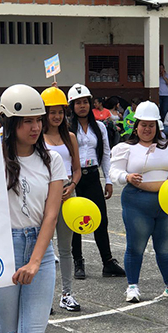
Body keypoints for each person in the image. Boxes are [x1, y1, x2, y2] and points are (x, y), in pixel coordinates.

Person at [0, 84, 65, 333]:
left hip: (41, 253)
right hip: (1, 249)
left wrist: (35, 261)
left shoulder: (52, 160)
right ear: (10, 122)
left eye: (38, 120)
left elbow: (51, 215)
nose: (35, 127)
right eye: (27, 121)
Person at [110, 101, 168, 303]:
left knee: (165, 247)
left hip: (167, 202)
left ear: (157, 126)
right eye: (143, 125)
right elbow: (114, 171)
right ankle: (132, 286)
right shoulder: (125, 148)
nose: (147, 129)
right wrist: (126, 178)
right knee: (135, 247)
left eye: (151, 125)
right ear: (136, 126)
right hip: (137, 202)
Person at [67, 83, 125, 279]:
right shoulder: (66, 127)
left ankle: (108, 262)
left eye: (85, 102)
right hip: (73, 178)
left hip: (92, 176)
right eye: (78, 103)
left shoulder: (99, 127)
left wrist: (108, 179)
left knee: (101, 219)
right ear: (71, 106)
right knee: (75, 222)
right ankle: (78, 262)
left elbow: (106, 154)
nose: (82, 106)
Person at [41, 86, 82, 312]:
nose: (56, 116)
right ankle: (42, 296)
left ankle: (67, 294)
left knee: (66, 249)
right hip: (43, 197)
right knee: (43, 248)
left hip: (68, 195)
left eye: (60, 112)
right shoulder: (36, 136)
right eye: (52, 112)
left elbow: (77, 169)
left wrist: (72, 185)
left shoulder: (71, 137)